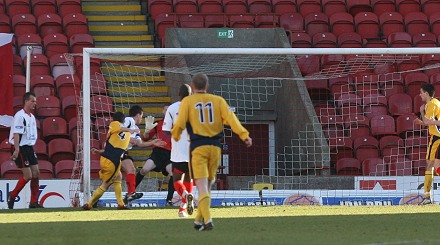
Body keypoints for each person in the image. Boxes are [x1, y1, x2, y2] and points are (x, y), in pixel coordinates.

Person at [171, 73, 252, 231]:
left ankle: (207, 220)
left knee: (201, 186)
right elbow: (231, 119)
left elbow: (180, 124)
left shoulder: (188, 101)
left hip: (197, 147)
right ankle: (198, 219)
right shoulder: (218, 101)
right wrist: (244, 135)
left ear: (193, 87)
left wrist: (175, 135)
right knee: (208, 184)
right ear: (207, 86)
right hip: (215, 146)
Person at [82, 112, 142, 210]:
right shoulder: (122, 131)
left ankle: (120, 204)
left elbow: (114, 146)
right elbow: (121, 130)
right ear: (123, 120)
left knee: (118, 177)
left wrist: (98, 151)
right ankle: (89, 204)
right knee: (106, 184)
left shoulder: (118, 131)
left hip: (109, 158)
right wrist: (132, 130)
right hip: (112, 161)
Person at [121, 105, 166, 205]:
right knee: (112, 178)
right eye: (141, 116)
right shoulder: (128, 120)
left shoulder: (136, 129)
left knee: (131, 170)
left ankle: (130, 193)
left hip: (123, 152)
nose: (141, 119)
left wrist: (153, 142)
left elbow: (140, 144)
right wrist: (129, 138)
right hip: (114, 150)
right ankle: (94, 199)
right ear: (138, 115)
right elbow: (117, 131)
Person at [7, 92, 43, 209]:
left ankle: (33, 202)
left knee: (36, 173)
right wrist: (16, 149)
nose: (35, 103)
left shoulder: (31, 116)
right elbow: (16, 134)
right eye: (33, 101)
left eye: (35, 101)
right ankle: (12, 195)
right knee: (28, 175)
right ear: (26, 101)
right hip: (20, 147)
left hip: (28, 147)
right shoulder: (20, 116)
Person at [163, 84, 193, 217]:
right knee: (189, 177)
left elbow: (165, 131)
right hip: (193, 150)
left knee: (177, 180)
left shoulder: (172, 108)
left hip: (178, 151)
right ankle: (183, 208)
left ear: (178, 94)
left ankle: (184, 195)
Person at [135, 105, 175, 205]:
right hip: (158, 153)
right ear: (163, 111)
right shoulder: (158, 124)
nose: (167, 111)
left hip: (171, 154)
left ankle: (169, 200)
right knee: (144, 169)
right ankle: (130, 193)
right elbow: (145, 138)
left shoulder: (177, 124)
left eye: (169, 109)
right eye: (165, 109)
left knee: (173, 174)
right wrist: (147, 131)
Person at [413, 83, 440, 205]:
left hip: (436, 138)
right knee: (435, 166)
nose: (420, 95)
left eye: (421, 92)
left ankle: (427, 197)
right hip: (437, 137)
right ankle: (427, 197)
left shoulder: (431, 104)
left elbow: (428, 121)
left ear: (427, 94)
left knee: (429, 165)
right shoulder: (435, 103)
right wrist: (422, 122)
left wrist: (422, 112)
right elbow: (431, 122)